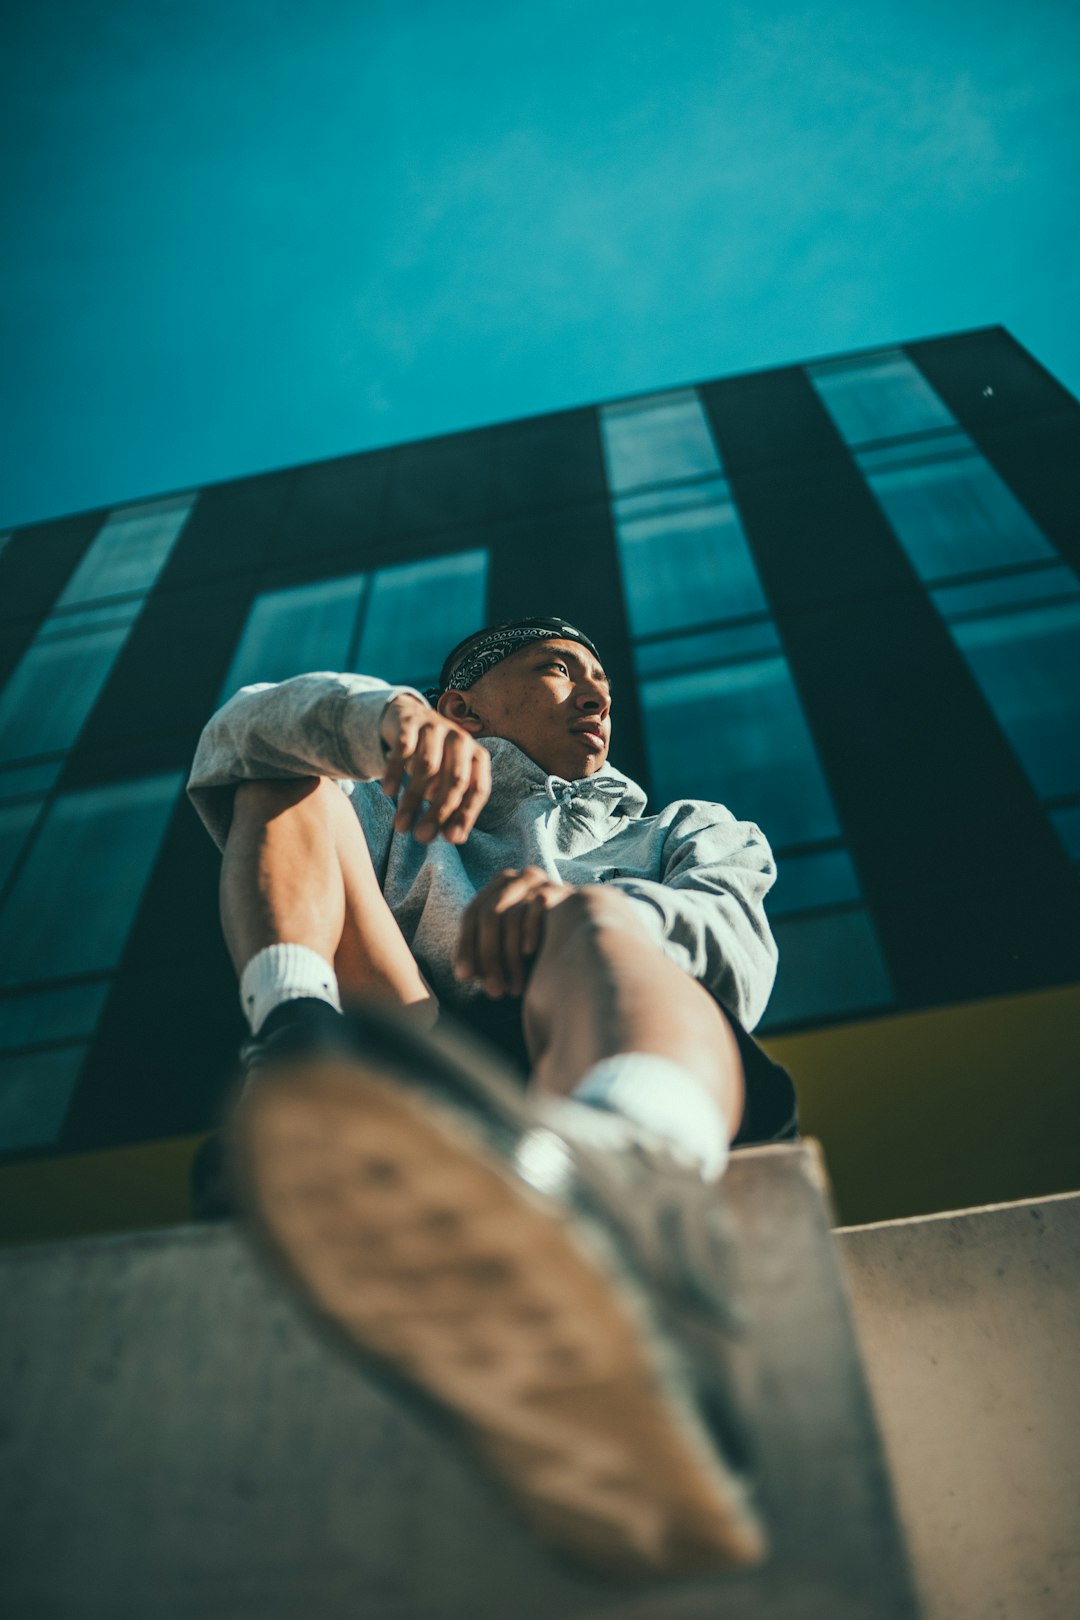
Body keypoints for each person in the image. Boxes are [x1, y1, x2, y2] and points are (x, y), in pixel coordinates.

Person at [187, 614, 797, 1578]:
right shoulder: (389, 806)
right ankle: (300, 1046)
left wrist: (584, 909)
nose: (598, 694)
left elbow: (736, 954)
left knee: (596, 919)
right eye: (559, 670)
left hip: (602, 1040)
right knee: (283, 766)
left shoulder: (686, 828)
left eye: (601, 678)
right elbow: (240, 732)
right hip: (421, 1049)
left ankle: (624, 1184)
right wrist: (379, 719)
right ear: (462, 706)